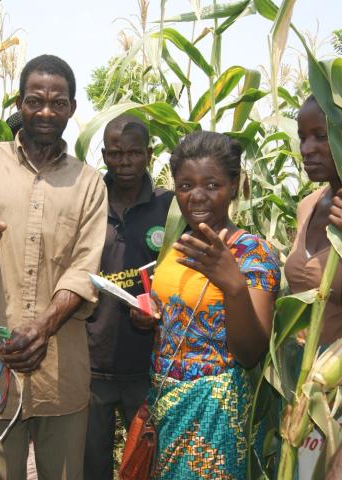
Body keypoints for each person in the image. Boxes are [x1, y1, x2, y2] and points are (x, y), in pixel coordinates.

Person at [0, 54, 107, 480]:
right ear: (20, 103)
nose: (45, 111)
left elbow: (84, 266)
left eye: (58, 102)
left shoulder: (89, 182)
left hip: (61, 375)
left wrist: (43, 328)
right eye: (35, 100)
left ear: (72, 109)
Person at [131, 130, 280, 479]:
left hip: (216, 415)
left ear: (234, 185)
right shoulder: (180, 244)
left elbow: (250, 352)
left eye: (212, 185)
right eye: (185, 186)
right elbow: (176, 316)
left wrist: (234, 285)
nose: (197, 196)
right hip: (166, 403)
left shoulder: (250, 252)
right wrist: (148, 317)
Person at [84, 115, 173, 480]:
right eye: (116, 154)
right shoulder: (88, 201)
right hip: (92, 364)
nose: (124, 163)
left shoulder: (169, 208)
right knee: (92, 465)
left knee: (147, 463)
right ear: (104, 154)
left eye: (134, 153)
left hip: (148, 367)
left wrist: (159, 310)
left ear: (149, 154)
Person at [285, 95, 342, 478]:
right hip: (301, 384)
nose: (306, 149)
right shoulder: (308, 204)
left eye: (320, 136)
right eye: (303, 136)